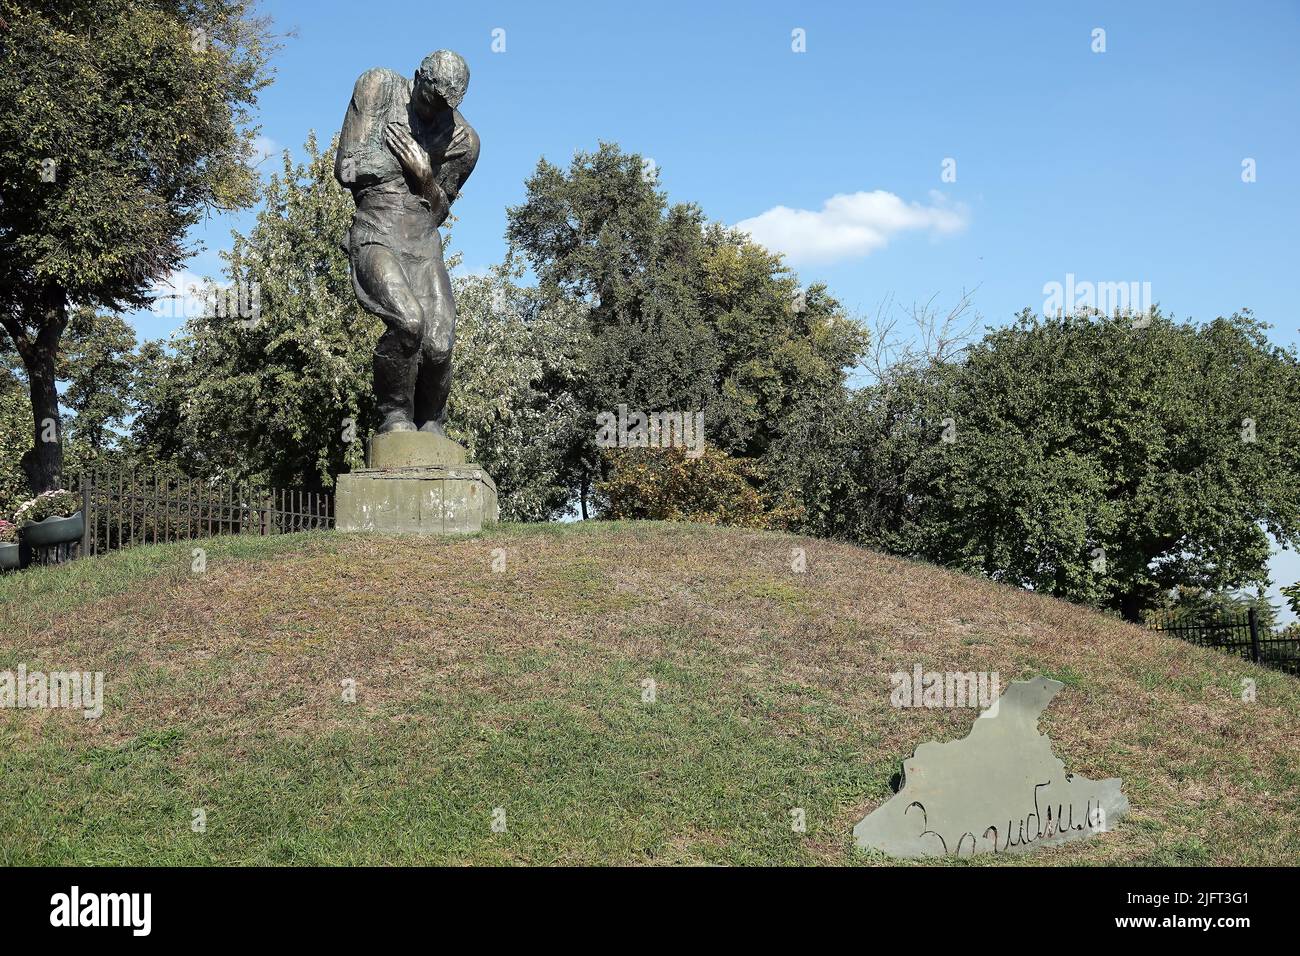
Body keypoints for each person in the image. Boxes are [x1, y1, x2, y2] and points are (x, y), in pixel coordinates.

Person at [335, 50, 480, 436]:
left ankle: (432, 422)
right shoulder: (378, 86)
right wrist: (407, 170)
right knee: (409, 321)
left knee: (440, 342)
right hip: (377, 229)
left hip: (423, 243)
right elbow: (347, 167)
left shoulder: (464, 141)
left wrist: (425, 173)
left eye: (450, 105)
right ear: (419, 79)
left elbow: (438, 209)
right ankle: (394, 416)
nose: (439, 113)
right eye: (433, 100)